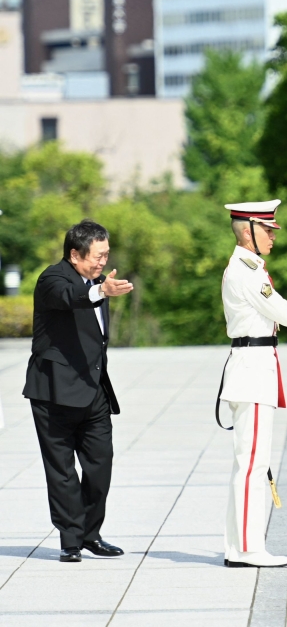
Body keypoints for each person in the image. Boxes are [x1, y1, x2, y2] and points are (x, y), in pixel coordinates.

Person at [23, 220, 133, 562]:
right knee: (62, 470)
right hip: (54, 391)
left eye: (106, 254)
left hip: (93, 390)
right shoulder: (53, 279)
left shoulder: (100, 283)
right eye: (97, 255)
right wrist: (100, 292)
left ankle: (90, 532)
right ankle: (71, 539)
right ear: (75, 253)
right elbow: (70, 298)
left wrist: (101, 288)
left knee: (101, 464)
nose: (103, 261)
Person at [217, 200, 287, 568]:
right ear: (248, 231)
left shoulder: (248, 267)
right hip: (252, 372)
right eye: (268, 230)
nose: (274, 236)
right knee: (253, 466)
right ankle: (248, 549)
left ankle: (237, 546)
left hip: (252, 368)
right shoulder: (248, 273)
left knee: (248, 463)